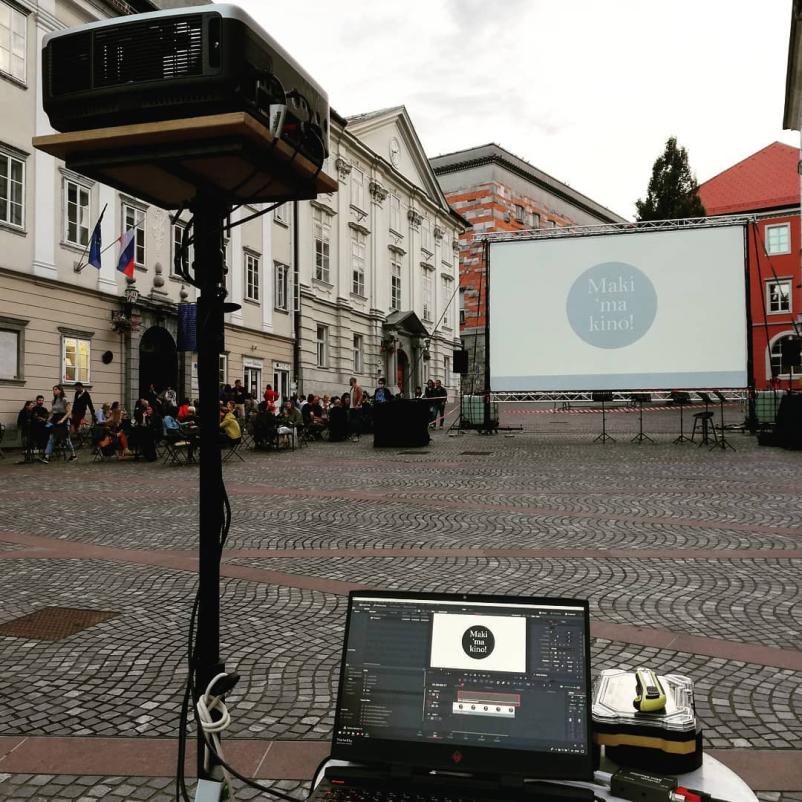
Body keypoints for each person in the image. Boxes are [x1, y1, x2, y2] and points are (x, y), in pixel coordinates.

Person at [40, 385, 77, 463]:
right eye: (53, 389)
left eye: (56, 389)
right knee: (52, 438)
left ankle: (73, 455)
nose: (54, 391)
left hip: (63, 421)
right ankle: (46, 456)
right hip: (55, 421)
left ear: (60, 390)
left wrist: (62, 420)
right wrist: (48, 419)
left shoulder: (65, 400)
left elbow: (69, 412)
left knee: (66, 440)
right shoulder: (53, 401)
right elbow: (53, 412)